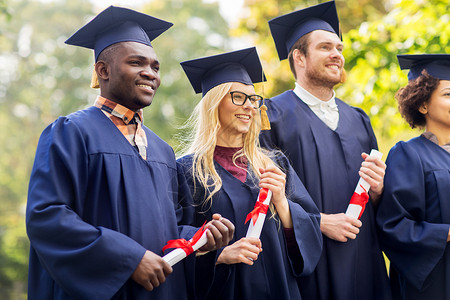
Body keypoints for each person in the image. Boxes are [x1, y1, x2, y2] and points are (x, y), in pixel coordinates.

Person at [26, 6, 234, 299]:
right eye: (136, 63)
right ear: (103, 70)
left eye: (155, 67)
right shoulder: (71, 133)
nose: (149, 73)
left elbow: (169, 227)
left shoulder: (162, 150)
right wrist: (128, 258)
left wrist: (199, 239)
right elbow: (47, 216)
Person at [259, 1, 391, 299]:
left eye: (339, 48)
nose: (337, 55)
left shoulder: (359, 118)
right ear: (299, 57)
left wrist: (380, 189)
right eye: (325, 47)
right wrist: (318, 222)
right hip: (309, 262)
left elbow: (380, 199)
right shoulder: (271, 115)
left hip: (363, 260)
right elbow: (263, 193)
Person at [176, 47, 323, 300]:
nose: (250, 107)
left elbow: (310, 233)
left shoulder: (274, 163)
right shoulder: (188, 170)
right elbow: (173, 235)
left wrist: (282, 203)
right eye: (238, 97)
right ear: (214, 103)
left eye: (253, 99)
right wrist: (220, 255)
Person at [376, 54, 450, 300]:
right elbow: (392, 225)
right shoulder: (408, 154)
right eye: (448, 94)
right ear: (423, 104)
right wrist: (446, 233)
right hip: (434, 283)